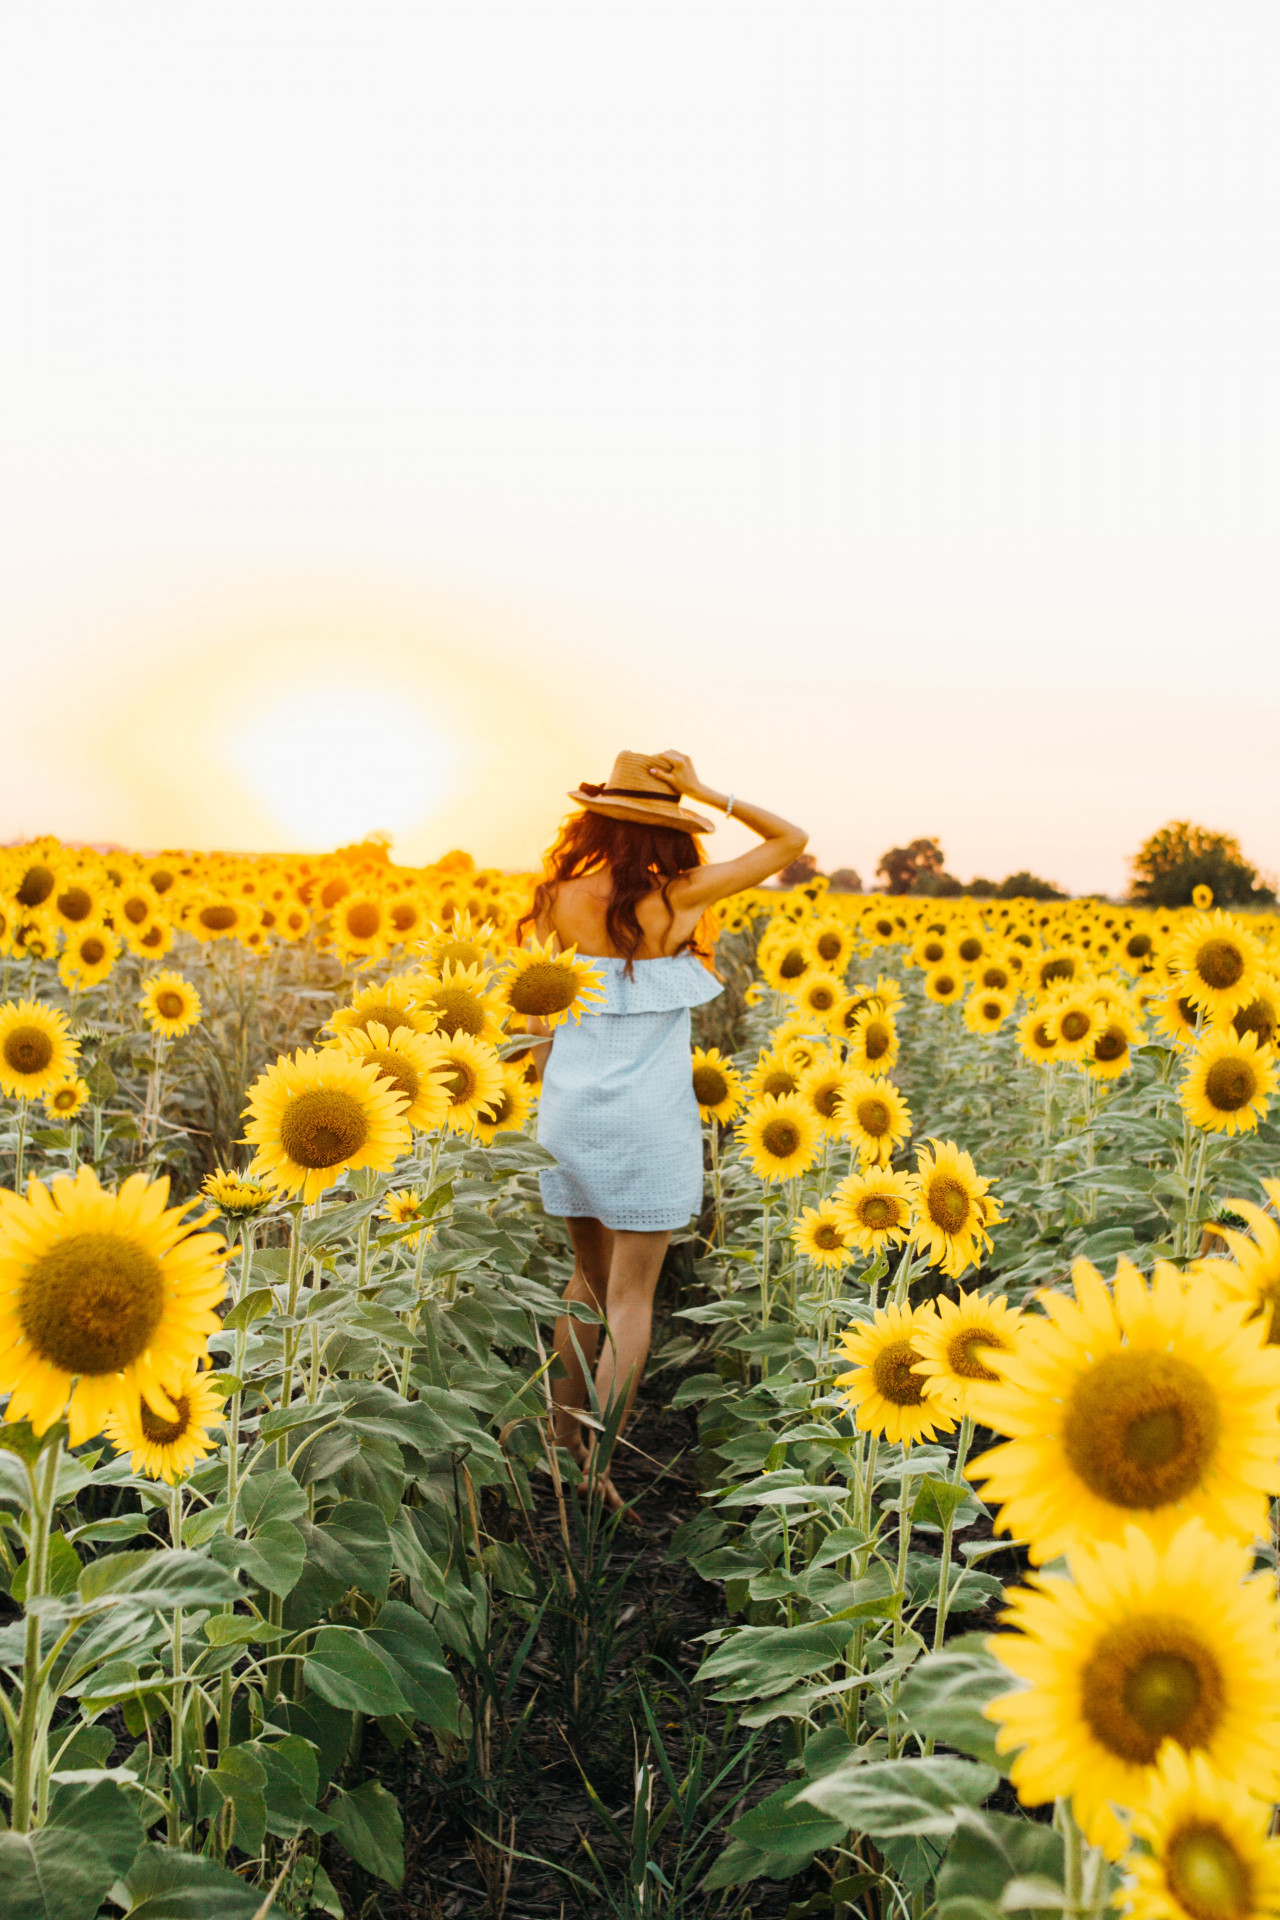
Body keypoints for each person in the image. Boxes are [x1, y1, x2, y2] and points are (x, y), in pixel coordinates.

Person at [522, 748, 807, 1505]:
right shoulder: (680, 897)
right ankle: (598, 1465)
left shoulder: (556, 897)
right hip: (650, 1119)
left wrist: (546, 1092)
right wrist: (710, 791)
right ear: (670, 828)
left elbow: (534, 1017)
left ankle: (561, 1443)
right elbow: (791, 841)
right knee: (630, 1300)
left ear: (597, 818)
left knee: (583, 1282)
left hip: (571, 1110)